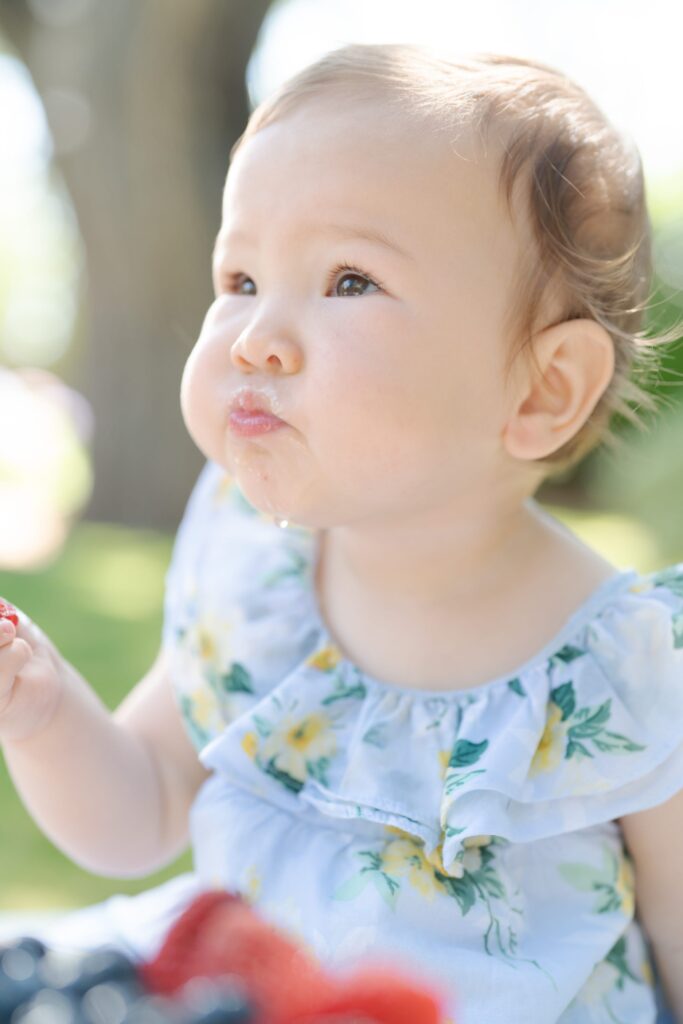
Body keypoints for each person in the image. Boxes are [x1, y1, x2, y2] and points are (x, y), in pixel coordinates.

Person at [1, 42, 682, 1024]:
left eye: (348, 281)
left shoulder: (627, 674)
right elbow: (140, 806)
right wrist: (42, 711)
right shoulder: (257, 583)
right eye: (238, 277)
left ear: (542, 388)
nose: (253, 334)